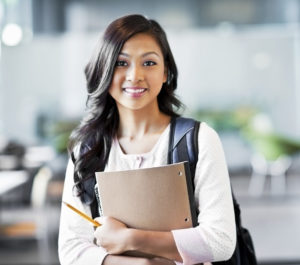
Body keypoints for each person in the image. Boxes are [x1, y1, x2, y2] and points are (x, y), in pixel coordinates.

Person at [58, 14, 236, 265]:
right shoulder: (87, 149)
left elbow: (220, 242)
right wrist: (144, 264)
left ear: (166, 72)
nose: (135, 75)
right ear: (104, 70)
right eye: (121, 63)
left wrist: (130, 239)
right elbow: (71, 249)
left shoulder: (198, 139)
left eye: (149, 63)